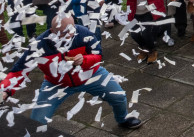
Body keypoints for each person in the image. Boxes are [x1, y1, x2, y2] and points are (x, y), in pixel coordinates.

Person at [0, 15, 143, 130]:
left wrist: (85, 59)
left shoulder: (83, 33)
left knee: (118, 96)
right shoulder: (39, 45)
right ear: (52, 30)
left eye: (72, 30)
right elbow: (19, 70)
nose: (69, 35)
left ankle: (123, 119)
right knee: (37, 122)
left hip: (90, 75)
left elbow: (98, 54)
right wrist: (5, 90)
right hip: (56, 83)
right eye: (64, 33)